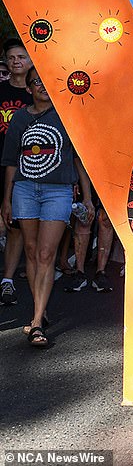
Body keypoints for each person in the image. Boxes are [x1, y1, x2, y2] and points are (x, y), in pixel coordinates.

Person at [1, 67, 94, 346]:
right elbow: (11, 161)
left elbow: (79, 159)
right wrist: (6, 200)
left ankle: (37, 321)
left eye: (46, 81)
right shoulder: (19, 118)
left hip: (58, 191)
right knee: (30, 251)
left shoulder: (67, 116)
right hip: (25, 189)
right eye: (36, 82)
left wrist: (87, 197)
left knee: (45, 254)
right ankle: (39, 309)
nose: (42, 86)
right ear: (28, 89)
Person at [0, 38, 33, 306]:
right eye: (11, 58)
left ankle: (7, 280)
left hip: (26, 169)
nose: (16, 61)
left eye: (21, 57)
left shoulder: (38, 94)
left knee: (15, 225)